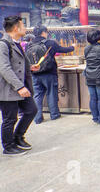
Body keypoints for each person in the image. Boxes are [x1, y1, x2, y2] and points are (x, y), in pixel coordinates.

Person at [0, 16, 38, 156]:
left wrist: (31, 67)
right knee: (10, 118)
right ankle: (8, 146)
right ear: (16, 28)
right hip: (8, 89)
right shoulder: (3, 44)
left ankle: (18, 136)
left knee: (31, 110)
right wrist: (19, 87)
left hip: (20, 87)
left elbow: (18, 64)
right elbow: (4, 68)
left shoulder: (16, 43)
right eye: (23, 26)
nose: (25, 29)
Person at [29, 25, 74, 124]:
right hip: (49, 73)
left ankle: (37, 118)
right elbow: (63, 50)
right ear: (44, 32)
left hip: (35, 74)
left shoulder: (30, 44)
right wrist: (72, 47)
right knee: (51, 93)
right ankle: (54, 115)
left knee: (37, 95)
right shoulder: (50, 43)